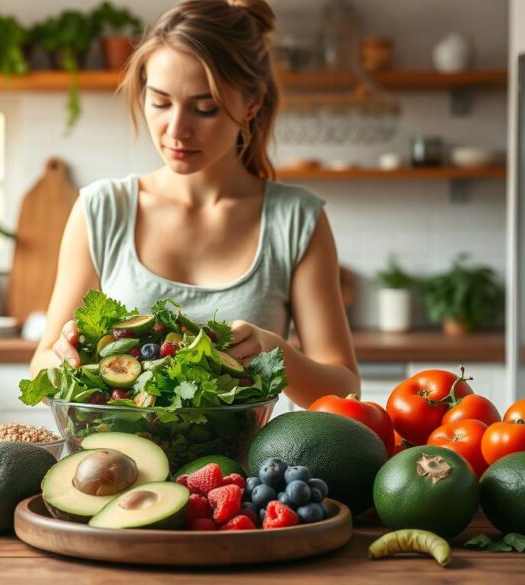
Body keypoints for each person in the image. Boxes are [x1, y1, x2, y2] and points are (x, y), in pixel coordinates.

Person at [29, 0, 359, 407]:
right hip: (116, 467)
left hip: (246, 471)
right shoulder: (100, 210)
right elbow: (42, 365)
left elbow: (345, 391)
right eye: (160, 102)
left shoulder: (295, 220)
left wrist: (277, 352)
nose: (177, 129)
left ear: (251, 102)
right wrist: (62, 358)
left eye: (206, 108)